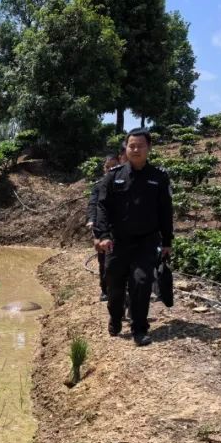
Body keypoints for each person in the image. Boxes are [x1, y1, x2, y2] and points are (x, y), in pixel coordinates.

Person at [93, 128, 173, 346]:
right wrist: (103, 235)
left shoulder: (159, 178)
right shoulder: (113, 176)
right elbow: (102, 207)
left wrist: (167, 241)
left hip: (146, 241)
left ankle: (139, 328)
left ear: (149, 148)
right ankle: (115, 317)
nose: (135, 149)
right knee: (114, 283)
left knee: (142, 281)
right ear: (126, 149)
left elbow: (166, 211)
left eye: (140, 146)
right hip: (117, 241)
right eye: (131, 146)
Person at [87, 151, 124, 302]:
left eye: (114, 166)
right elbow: (93, 204)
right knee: (104, 261)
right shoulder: (99, 185)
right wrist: (92, 220)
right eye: (108, 167)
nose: (110, 170)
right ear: (104, 168)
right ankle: (105, 289)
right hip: (103, 228)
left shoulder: (125, 182)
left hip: (122, 229)